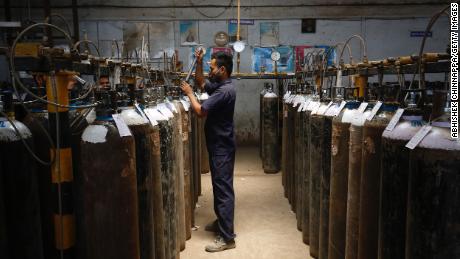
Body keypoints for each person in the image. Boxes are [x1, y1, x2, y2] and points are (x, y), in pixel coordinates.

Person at [180, 50, 237, 252]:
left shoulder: (225, 91)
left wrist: (188, 94)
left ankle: (227, 237)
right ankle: (222, 223)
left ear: (222, 70)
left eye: (211, 68)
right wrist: (198, 61)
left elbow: (200, 111)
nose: (208, 71)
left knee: (223, 190)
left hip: (222, 147)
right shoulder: (221, 85)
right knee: (219, 185)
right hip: (218, 145)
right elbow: (201, 82)